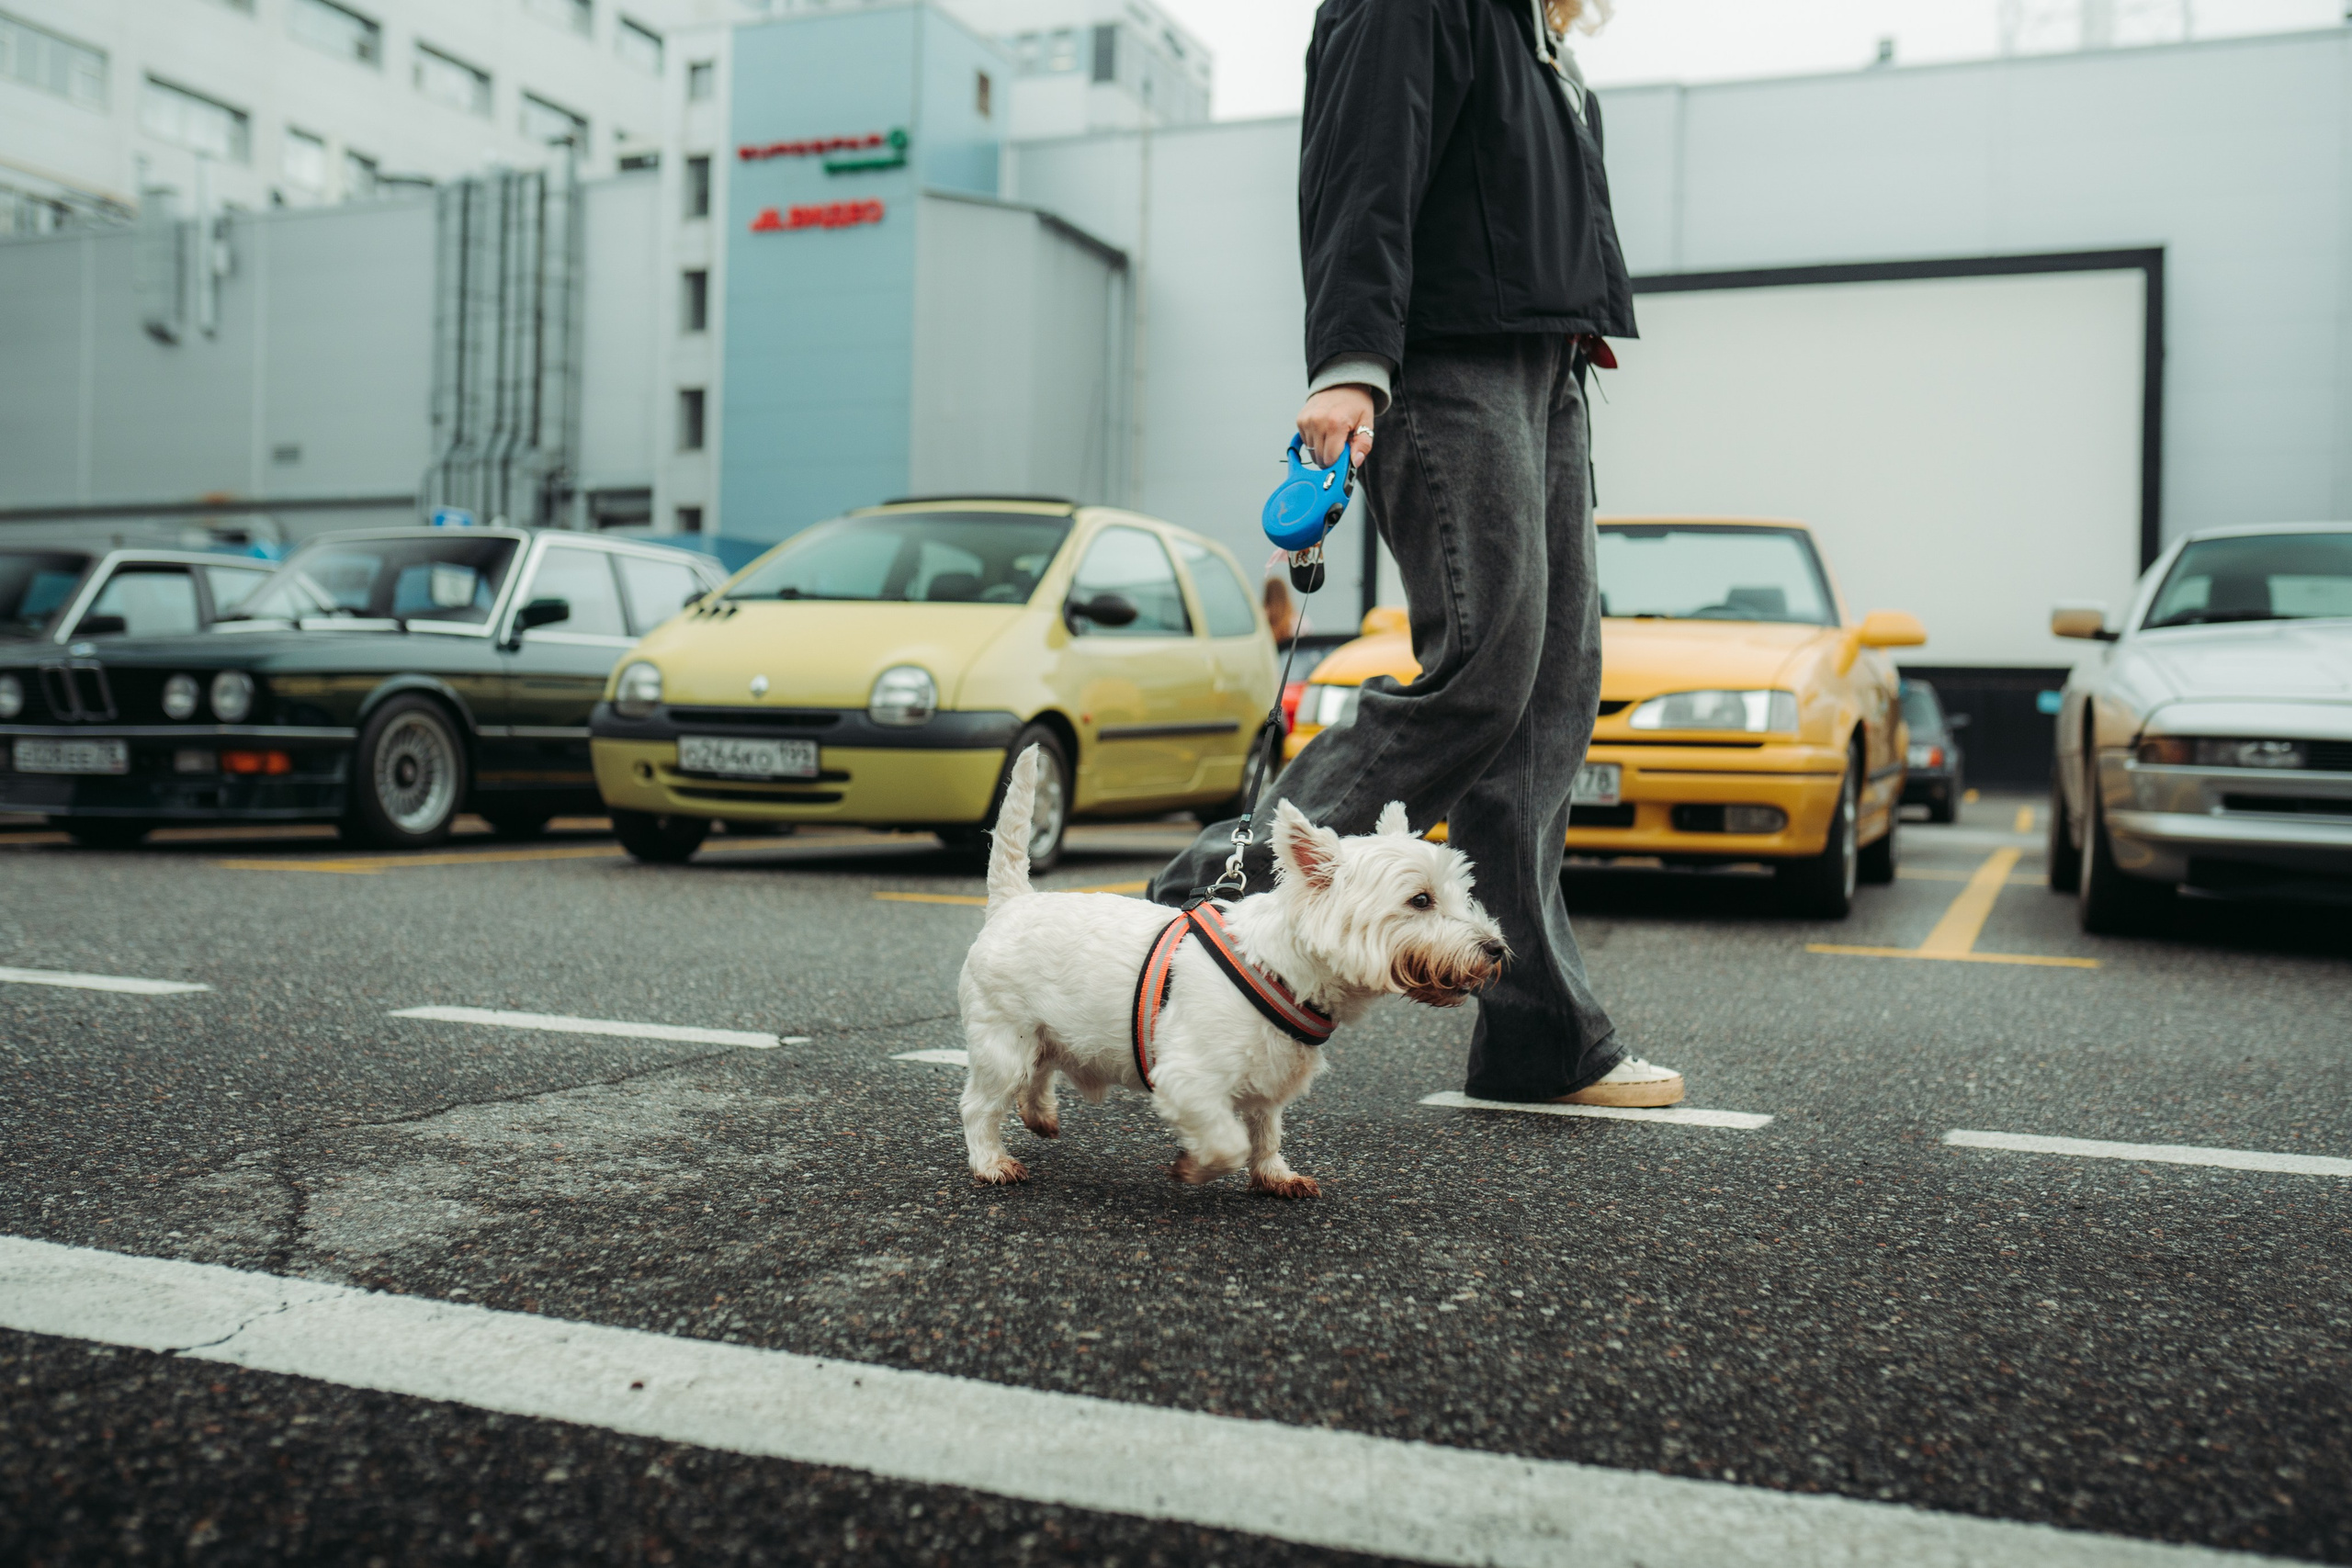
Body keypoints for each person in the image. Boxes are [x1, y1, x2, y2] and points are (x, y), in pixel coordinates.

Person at [1148, 0, 1683, 1108]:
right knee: (1481, 676)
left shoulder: (1533, 32)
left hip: (1542, 366)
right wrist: (1350, 361)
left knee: (1547, 700)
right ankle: (1196, 904)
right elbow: (1363, 168)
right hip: (1445, 363)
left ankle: (1540, 1042)